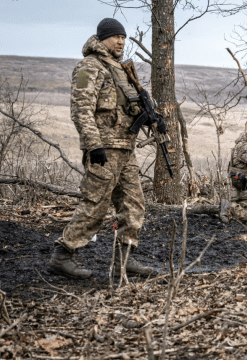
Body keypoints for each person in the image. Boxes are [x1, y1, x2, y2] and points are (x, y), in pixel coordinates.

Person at [48, 18, 153, 279]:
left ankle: (125, 261)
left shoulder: (120, 69)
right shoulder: (88, 67)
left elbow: (126, 108)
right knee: (94, 204)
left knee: (133, 204)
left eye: (124, 38)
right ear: (102, 39)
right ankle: (62, 256)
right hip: (103, 150)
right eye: (116, 37)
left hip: (124, 149)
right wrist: (94, 145)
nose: (121, 41)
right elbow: (81, 109)